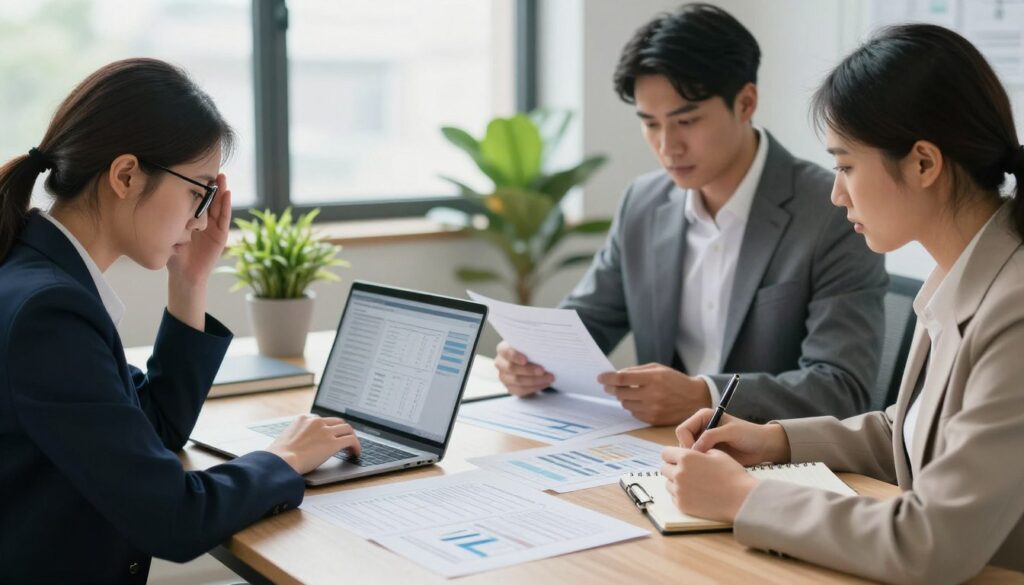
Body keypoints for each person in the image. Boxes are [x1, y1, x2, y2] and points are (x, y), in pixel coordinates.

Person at [660, 24, 1024, 583]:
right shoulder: (967, 273)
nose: (836, 193)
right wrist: (775, 440)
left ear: (924, 163)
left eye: (846, 165)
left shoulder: (1015, 308)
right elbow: (919, 430)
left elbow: (931, 542)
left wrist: (745, 500)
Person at [0, 58, 361, 584]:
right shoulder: (49, 313)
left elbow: (153, 430)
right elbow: (172, 518)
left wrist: (189, 282)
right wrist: (282, 458)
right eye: (197, 191)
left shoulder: (40, 277)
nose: (200, 217)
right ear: (125, 175)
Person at [495, 3, 887, 426]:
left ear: (746, 102)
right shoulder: (643, 204)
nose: (668, 146)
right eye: (651, 124)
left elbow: (842, 387)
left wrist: (707, 396)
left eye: (687, 121)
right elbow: (585, 326)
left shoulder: (830, 210)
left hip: (775, 462)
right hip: (658, 452)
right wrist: (530, 360)